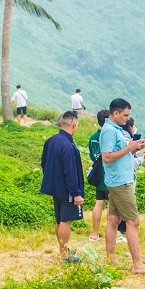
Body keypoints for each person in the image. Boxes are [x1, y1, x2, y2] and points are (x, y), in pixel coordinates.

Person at [100, 98, 145, 276]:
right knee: (133, 221)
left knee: (113, 220)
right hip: (121, 182)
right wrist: (129, 147)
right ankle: (138, 264)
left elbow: (119, 154)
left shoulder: (115, 129)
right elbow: (107, 157)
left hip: (117, 179)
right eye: (125, 115)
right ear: (115, 113)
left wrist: (134, 148)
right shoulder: (110, 131)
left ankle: (111, 258)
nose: (127, 119)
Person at [40, 111, 85, 263]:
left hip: (56, 187)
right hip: (67, 190)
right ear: (74, 124)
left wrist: (51, 177)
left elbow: (44, 162)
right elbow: (70, 171)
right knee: (66, 221)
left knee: (59, 220)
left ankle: (63, 249)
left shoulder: (52, 140)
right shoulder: (67, 145)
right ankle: (64, 255)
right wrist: (76, 193)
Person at [87, 109, 111, 242]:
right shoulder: (109, 135)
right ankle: (110, 231)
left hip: (98, 174)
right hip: (110, 174)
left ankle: (95, 233)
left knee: (99, 203)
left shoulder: (93, 138)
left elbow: (92, 155)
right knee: (111, 204)